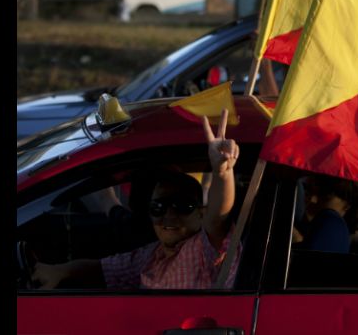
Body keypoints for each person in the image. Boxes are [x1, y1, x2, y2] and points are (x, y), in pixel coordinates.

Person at [32, 113, 239, 290]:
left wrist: (223, 173)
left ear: (201, 212)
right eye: (158, 207)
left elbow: (219, 216)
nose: (169, 215)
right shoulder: (151, 255)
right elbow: (103, 268)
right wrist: (60, 270)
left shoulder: (203, 248)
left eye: (182, 206)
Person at [293, 175, 358, 257]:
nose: (312, 200)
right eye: (308, 192)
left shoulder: (331, 225)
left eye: (325, 196)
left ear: (347, 206)